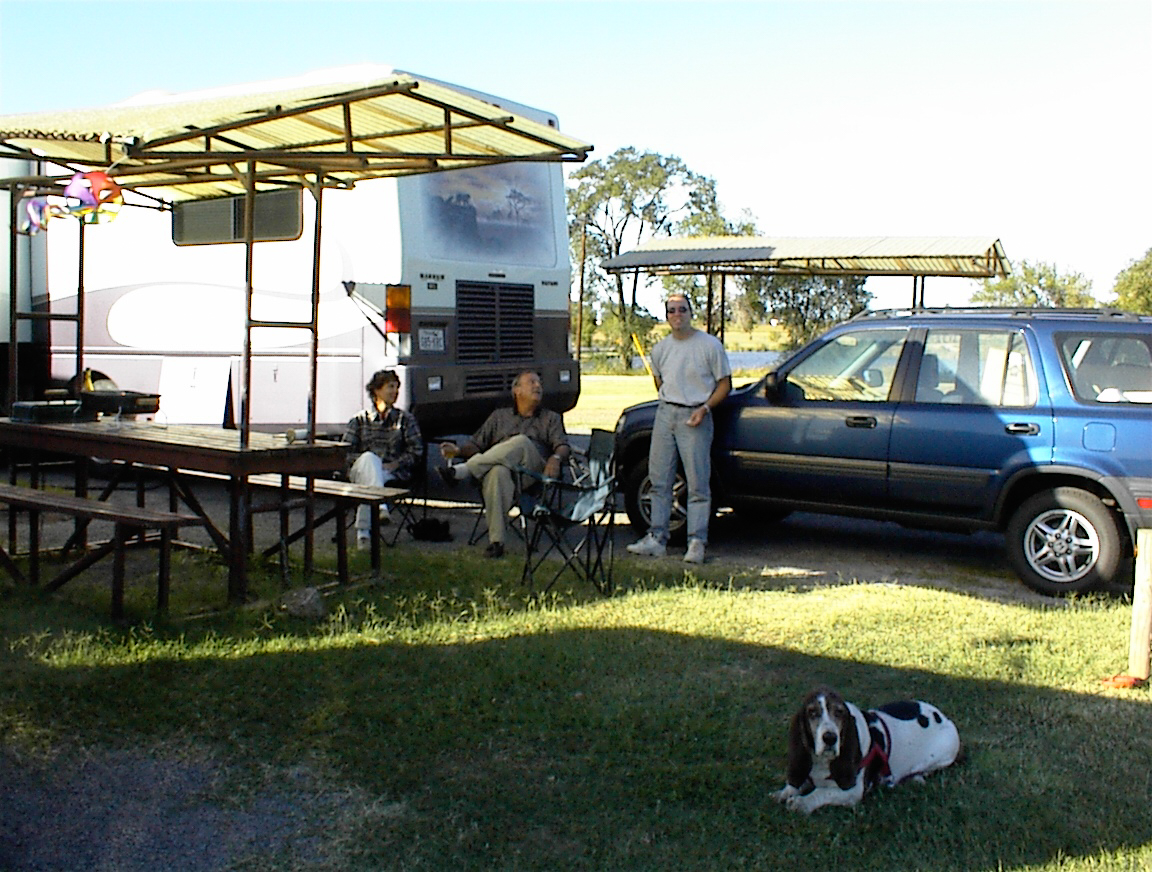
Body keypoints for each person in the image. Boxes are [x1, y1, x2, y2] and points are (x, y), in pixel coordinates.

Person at [627, 293, 731, 564]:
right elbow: (659, 380)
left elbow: (724, 384)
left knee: (697, 482)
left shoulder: (709, 345)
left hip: (695, 415)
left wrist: (704, 409)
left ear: (690, 312)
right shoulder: (661, 349)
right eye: (671, 310)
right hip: (666, 414)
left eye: (682, 309)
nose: (677, 315)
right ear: (667, 316)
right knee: (659, 479)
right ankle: (656, 538)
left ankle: (696, 541)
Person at [438, 370, 570, 558]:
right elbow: (476, 444)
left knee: (521, 441)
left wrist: (556, 458)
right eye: (531, 382)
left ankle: (463, 471)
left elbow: (563, 446)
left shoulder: (551, 418)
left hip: (533, 475)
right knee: (497, 472)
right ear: (516, 390)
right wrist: (458, 451)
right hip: (507, 477)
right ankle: (497, 542)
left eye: (539, 383)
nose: (538, 386)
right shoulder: (499, 417)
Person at [343, 369, 423, 550]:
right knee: (370, 460)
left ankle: (363, 534)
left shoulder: (405, 419)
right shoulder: (359, 420)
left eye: (397, 388)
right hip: (361, 469)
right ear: (376, 391)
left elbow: (416, 451)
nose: (395, 392)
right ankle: (381, 507)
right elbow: (345, 453)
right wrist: (370, 462)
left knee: (368, 483)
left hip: (392, 472)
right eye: (390, 387)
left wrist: (396, 463)